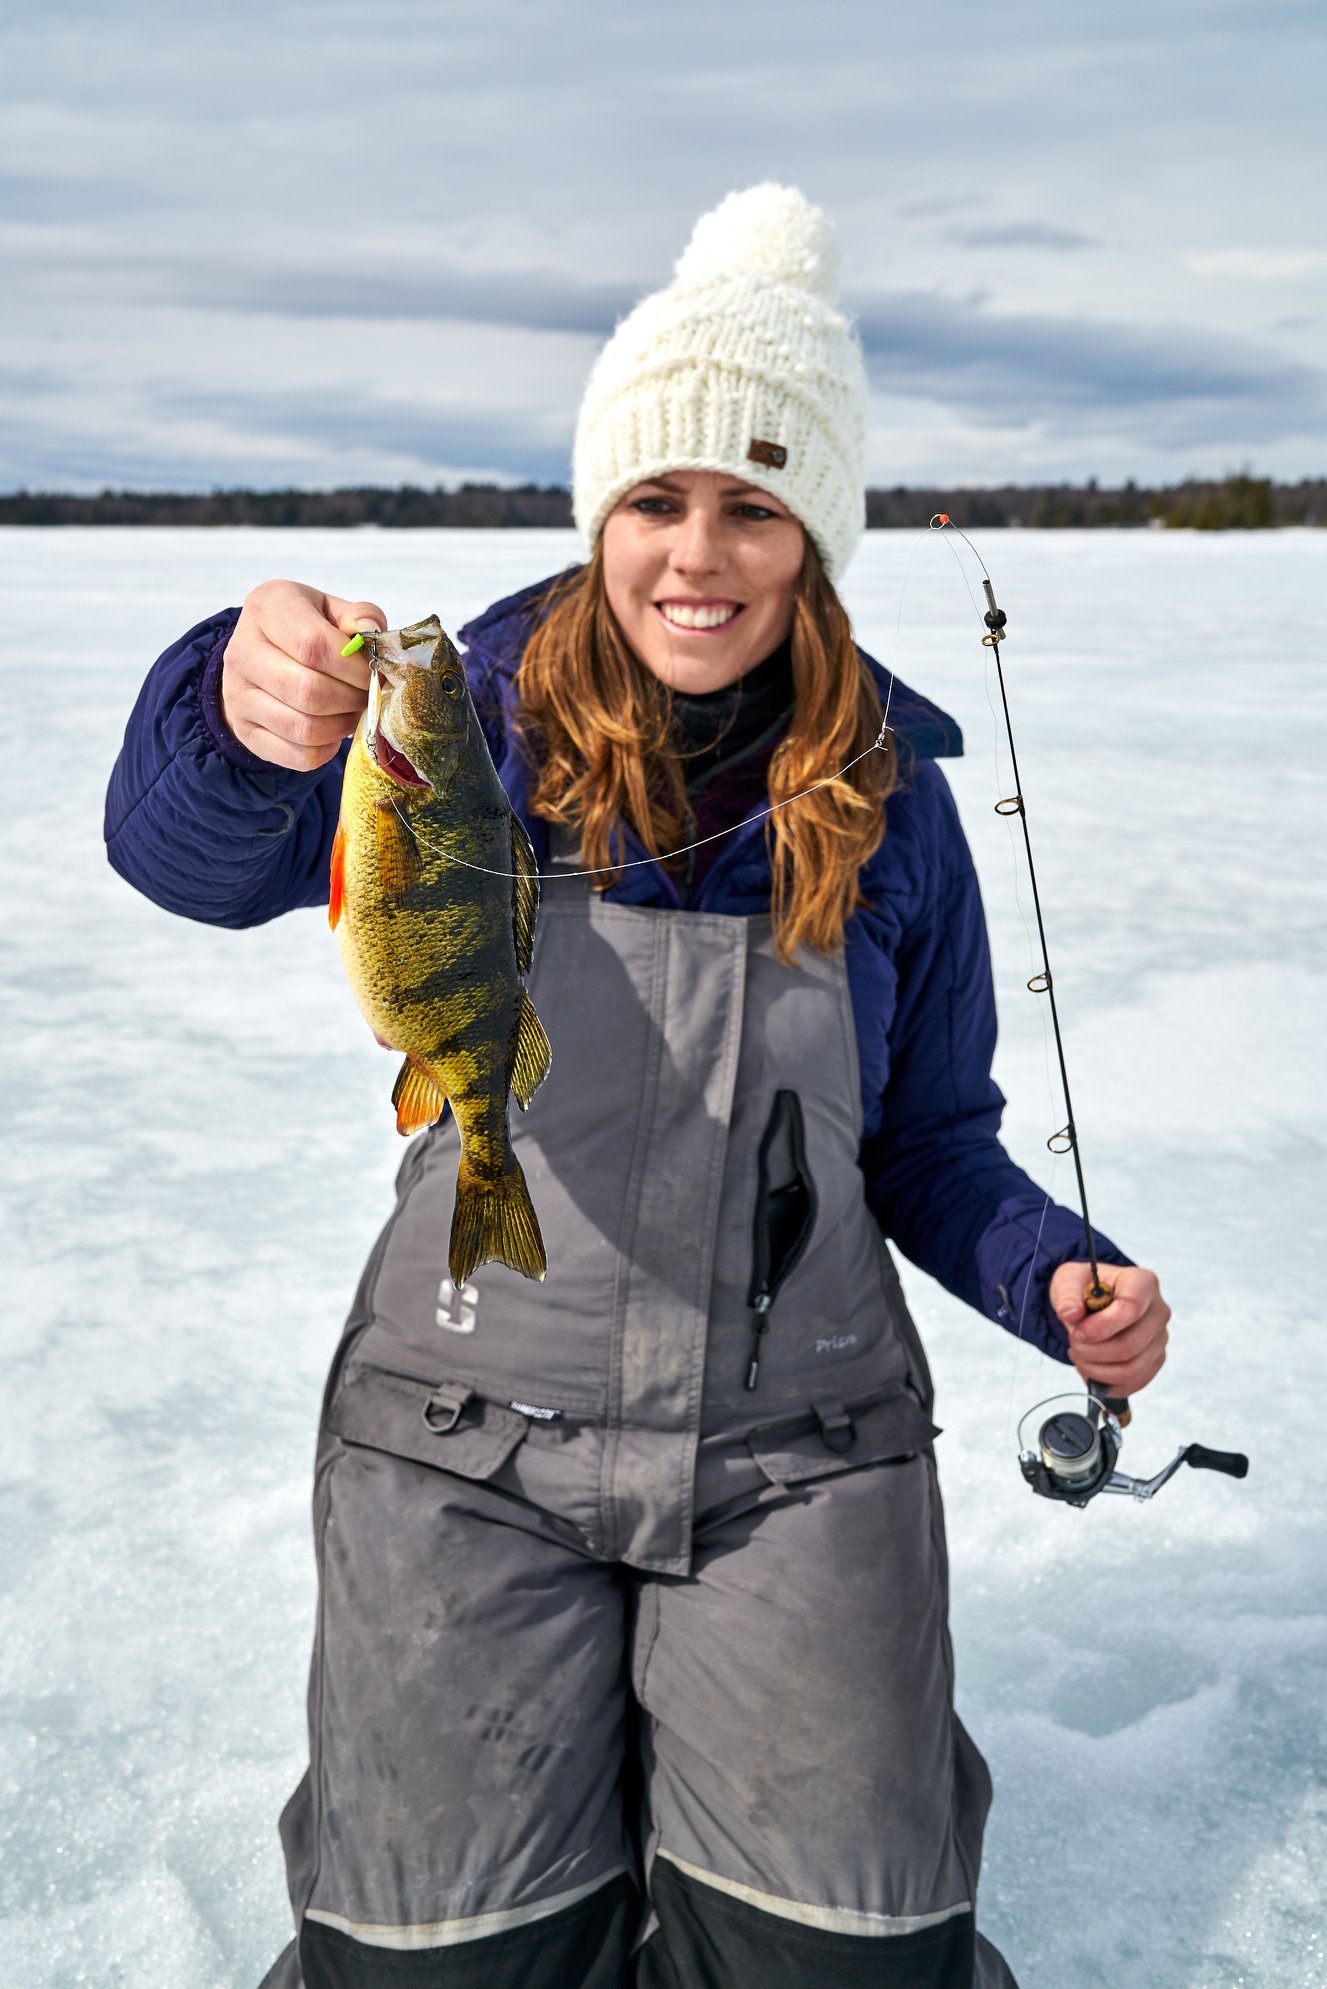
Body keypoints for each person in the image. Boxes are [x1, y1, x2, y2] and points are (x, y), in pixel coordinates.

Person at [105, 185, 1171, 1989]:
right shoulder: (472, 725)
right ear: (601, 509)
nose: (700, 552)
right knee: (434, 1963)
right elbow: (187, 854)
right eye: (658, 498)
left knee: (845, 1959)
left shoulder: (894, 805)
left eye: (755, 504)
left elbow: (928, 1138)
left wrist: (1047, 1270)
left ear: (812, 536)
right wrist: (234, 702)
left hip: (801, 1455)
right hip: (464, 1438)